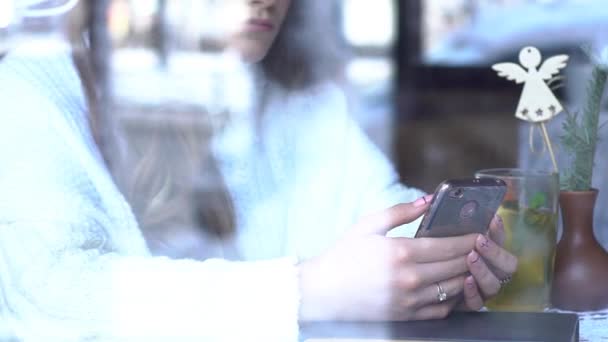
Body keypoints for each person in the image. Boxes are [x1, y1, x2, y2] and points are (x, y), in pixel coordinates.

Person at [0, 0, 517, 340]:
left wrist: (442, 265)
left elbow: (379, 210)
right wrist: (306, 291)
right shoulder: (30, 88)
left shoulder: (295, 102)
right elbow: (50, 293)